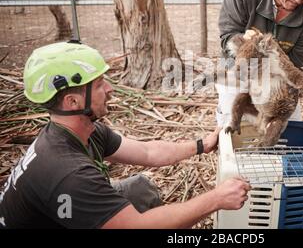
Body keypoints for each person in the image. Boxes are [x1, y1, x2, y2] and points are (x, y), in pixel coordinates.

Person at [0, 41, 251, 229]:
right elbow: (137, 227)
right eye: (99, 85)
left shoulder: (81, 131)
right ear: (72, 100)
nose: (110, 89)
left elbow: (148, 152)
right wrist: (216, 199)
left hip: (64, 213)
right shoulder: (68, 173)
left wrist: (201, 145)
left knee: (141, 189)